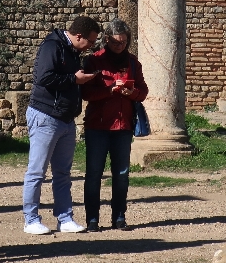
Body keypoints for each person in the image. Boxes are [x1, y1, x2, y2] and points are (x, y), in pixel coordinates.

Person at [22, 16, 102, 234]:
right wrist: (73, 80)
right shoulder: (52, 46)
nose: (92, 46)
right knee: (37, 172)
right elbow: (43, 78)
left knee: (63, 173)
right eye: (91, 41)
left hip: (66, 120)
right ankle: (31, 220)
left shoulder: (74, 52)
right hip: (46, 116)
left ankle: (65, 218)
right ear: (78, 36)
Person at [81, 19, 149, 231]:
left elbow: (143, 91)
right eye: (115, 43)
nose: (119, 46)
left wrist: (133, 93)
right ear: (106, 40)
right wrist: (109, 90)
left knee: (121, 175)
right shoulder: (93, 61)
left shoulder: (132, 63)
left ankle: (119, 217)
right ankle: (92, 219)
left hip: (123, 126)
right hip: (98, 126)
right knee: (94, 174)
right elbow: (85, 93)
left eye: (123, 42)